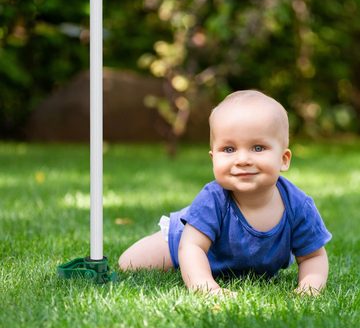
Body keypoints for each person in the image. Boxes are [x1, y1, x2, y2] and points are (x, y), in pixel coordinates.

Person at [119, 90, 332, 296]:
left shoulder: (298, 205)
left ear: (283, 159)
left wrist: (309, 288)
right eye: (229, 150)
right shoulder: (213, 198)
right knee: (129, 263)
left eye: (258, 148)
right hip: (183, 241)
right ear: (213, 158)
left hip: (228, 258)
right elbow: (191, 247)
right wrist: (206, 287)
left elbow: (313, 257)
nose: (242, 159)